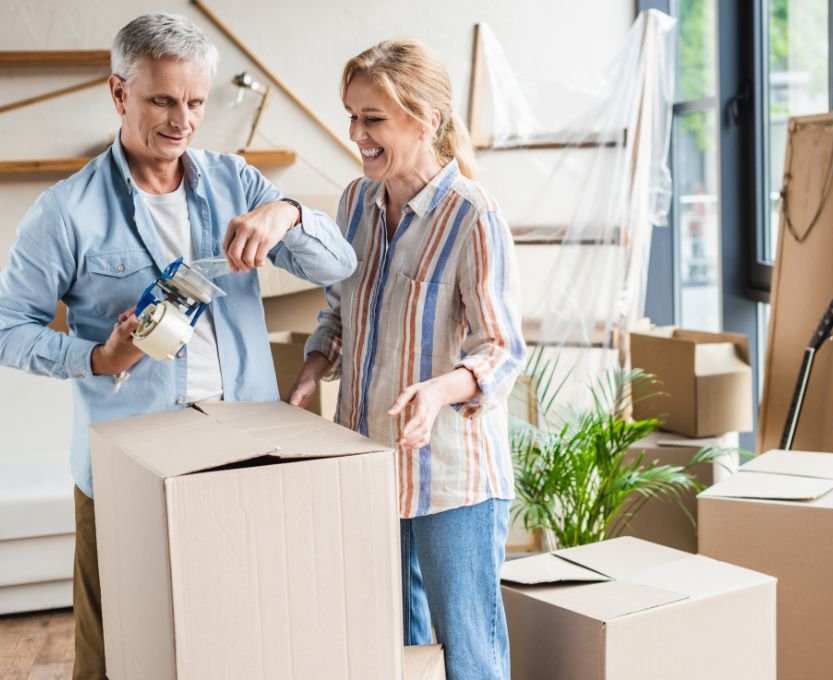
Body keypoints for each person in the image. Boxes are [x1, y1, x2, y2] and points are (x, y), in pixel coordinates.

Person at [0, 13, 355, 679]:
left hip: (241, 449)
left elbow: (338, 264)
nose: (182, 120)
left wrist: (289, 213)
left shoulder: (238, 183)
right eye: (163, 99)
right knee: (115, 656)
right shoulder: (66, 212)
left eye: (195, 102)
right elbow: (7, 331)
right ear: (118, 93)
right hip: (127, 460)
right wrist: (97, 358)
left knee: (241, 634)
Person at [288, 39, 524, 679]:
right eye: (353, 117)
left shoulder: (473, 217)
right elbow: (340, 310)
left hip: (451, 480)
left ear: (426, 121)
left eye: (373, 120)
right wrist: (314, 365)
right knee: (388, 650)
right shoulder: (355, 204)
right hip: (367, 464)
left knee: (468, 659)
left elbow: (501, 350)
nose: (357, 134)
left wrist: (440, 391)